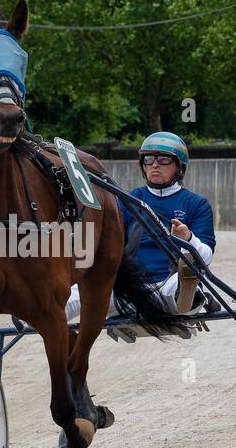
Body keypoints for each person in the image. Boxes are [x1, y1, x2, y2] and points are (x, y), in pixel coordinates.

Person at [65, 132, 216, 324]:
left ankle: (189, 296)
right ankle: (40, 314)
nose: (154, 164)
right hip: (130, 292)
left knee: (182, 281)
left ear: (179, 166)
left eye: (163, 159)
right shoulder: (128, 200)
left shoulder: (197, 204)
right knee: (80, 291)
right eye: (149, 159)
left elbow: (207, 257)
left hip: (168, 285)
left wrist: (188, 239)